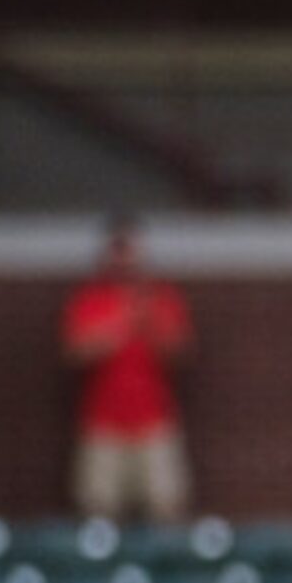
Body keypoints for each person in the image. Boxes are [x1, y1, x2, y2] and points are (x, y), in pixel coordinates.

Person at [61, 215, 195, 524]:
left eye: (129, 249)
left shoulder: (162, 298)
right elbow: (74, 353)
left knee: (167, 506)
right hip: (103, 422)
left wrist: (148, 323)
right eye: (117, 250)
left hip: (155, 421)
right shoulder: (90, 299)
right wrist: (120, 325)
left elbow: (182, 353)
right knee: (99, 508)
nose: (124, 258)